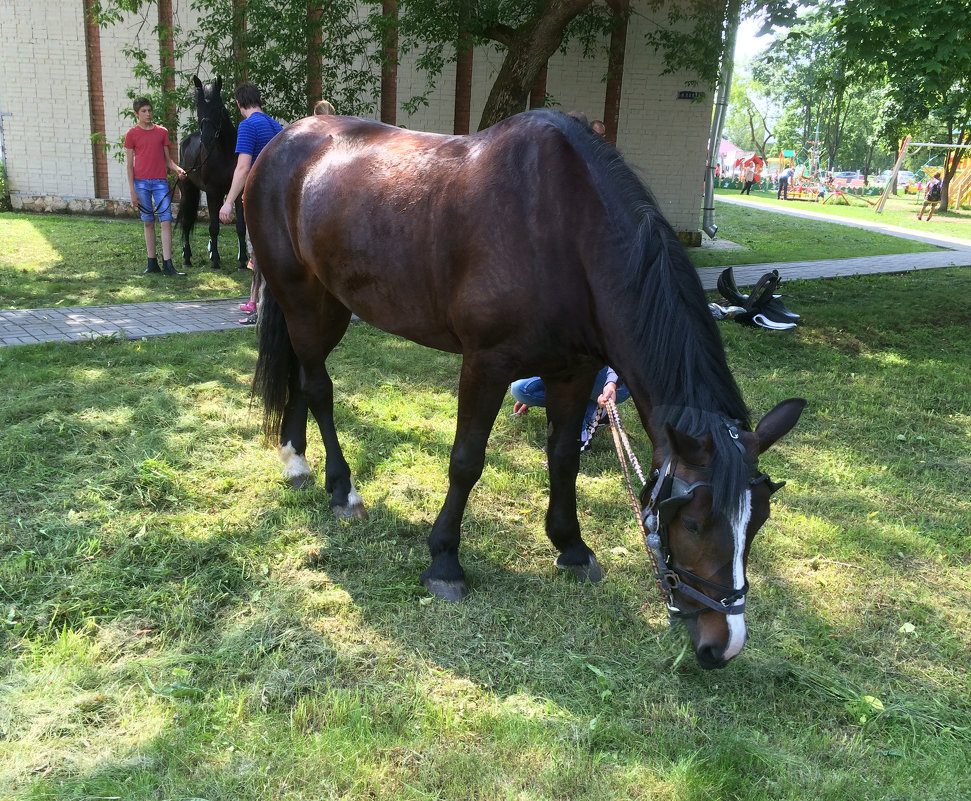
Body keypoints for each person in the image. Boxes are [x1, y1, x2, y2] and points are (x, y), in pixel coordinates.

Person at [219, 84, 284, 325]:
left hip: (259, 203)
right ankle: (255, 302)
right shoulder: (275, 125)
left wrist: (227, 202)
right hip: (277, 200)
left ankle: (261, 313)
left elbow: (243, 168)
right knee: (265, 255)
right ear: (259, 100)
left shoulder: (247, 127)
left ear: (238, 104)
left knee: (260, 257)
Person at [125, 97, 188, 276]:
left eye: (150, 110)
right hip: (141, 184)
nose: (148, 114)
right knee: (148, 222)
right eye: (144, 111)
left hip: (160, 182)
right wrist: (132, 191)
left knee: (166, 220)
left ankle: (168, 264)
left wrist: (178, 170)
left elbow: (167, 160)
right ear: (136, 114)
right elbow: (129, 165)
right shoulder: (132, 134)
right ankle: (152, 263)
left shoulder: (161, 132)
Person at [510, 367, 630, 452]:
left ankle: (577, 434)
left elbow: (622, 352)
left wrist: (611, 384)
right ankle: (595, 411)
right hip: (571, 371)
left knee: (572, 365)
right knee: (521, 389)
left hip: (618, 377)